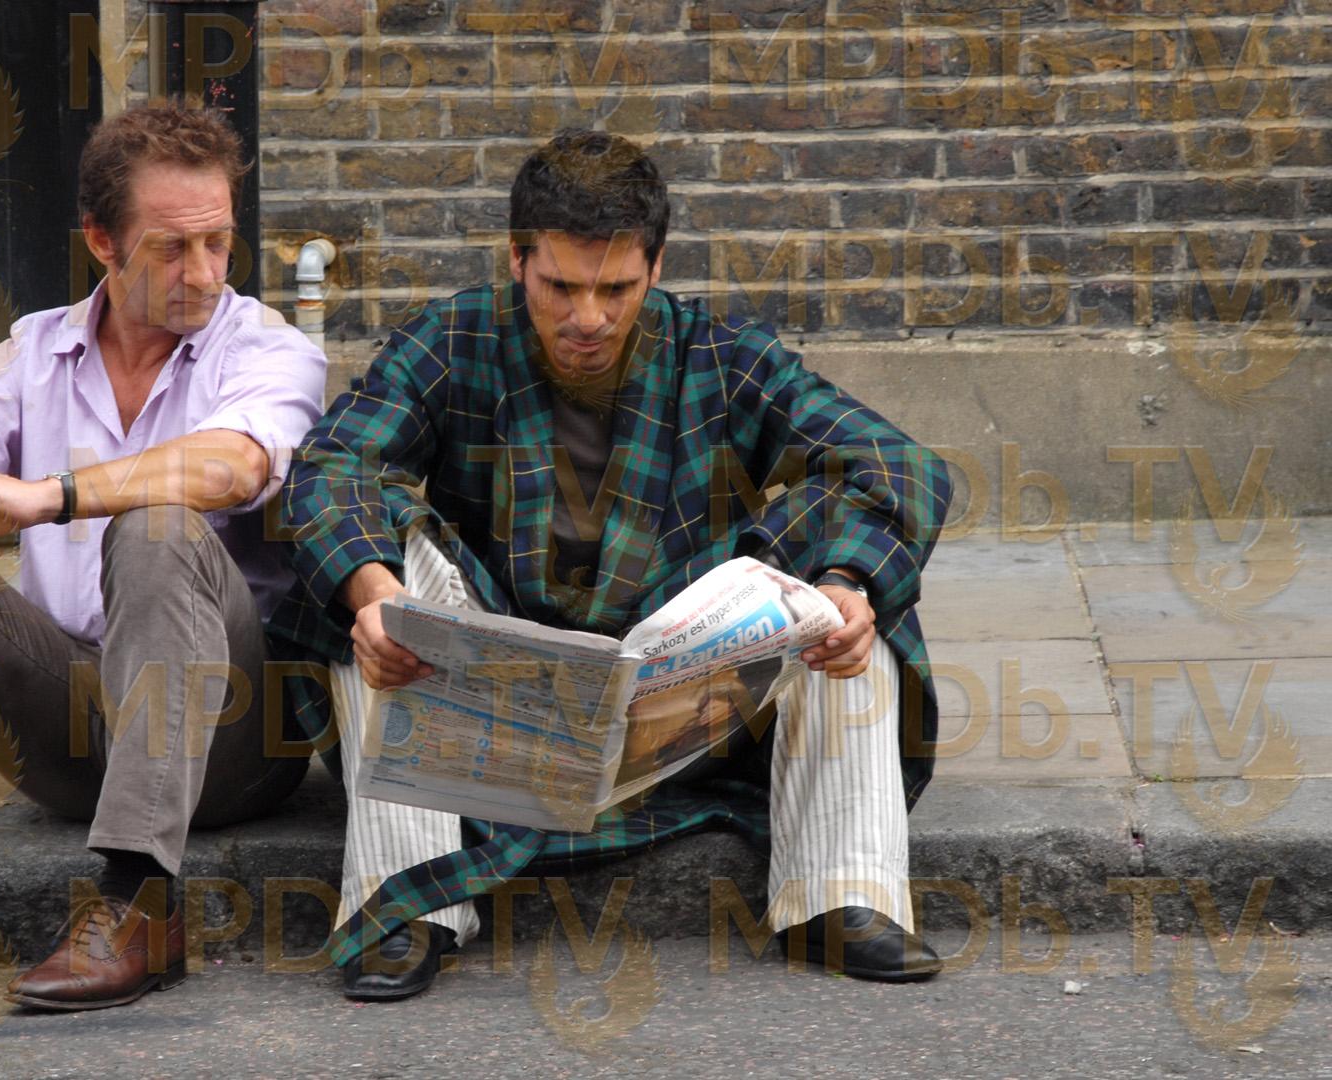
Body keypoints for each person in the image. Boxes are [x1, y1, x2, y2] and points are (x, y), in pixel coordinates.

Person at [268, 129, 952, 1001]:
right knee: (368, 573)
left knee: (852, 578)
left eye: (616, 289)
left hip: (686, 719)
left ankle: (841, 896)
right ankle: (406, 907)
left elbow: (896, 464)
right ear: (517, 260)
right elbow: (332, 469)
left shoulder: (720, 354)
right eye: (560, 286)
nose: (587, 317)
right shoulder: (451, 339)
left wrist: (845, 586)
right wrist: (375, 596)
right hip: (494, 719)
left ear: (655, 268)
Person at [0, 102, 325, 1012]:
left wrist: (50, 494)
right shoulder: (35, 350)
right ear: (101, 240)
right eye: (173, 247)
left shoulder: (268, 348)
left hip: (232, 734)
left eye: (218, 242)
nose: (205, 272)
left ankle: (140, 904)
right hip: (74, 725)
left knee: (160, 525)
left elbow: (234, 464)